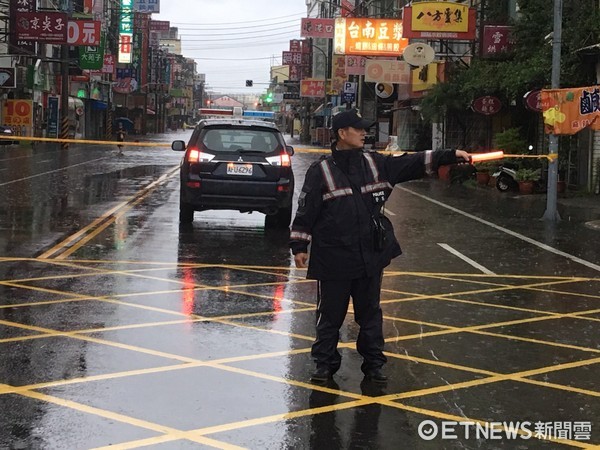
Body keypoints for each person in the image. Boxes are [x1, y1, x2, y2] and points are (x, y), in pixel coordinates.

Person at [289, 109, 470, 384]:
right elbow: (306, 212)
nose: (364, 133)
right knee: (329, 317)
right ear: (342, 134)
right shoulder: (321, 172)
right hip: (334, 259)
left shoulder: (375, 164)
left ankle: (374, 366)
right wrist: (299, 245)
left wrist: (450, 154)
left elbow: (412, 163)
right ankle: (324, 365)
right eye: (358, 129)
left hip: (370, 257)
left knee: (370, 315)